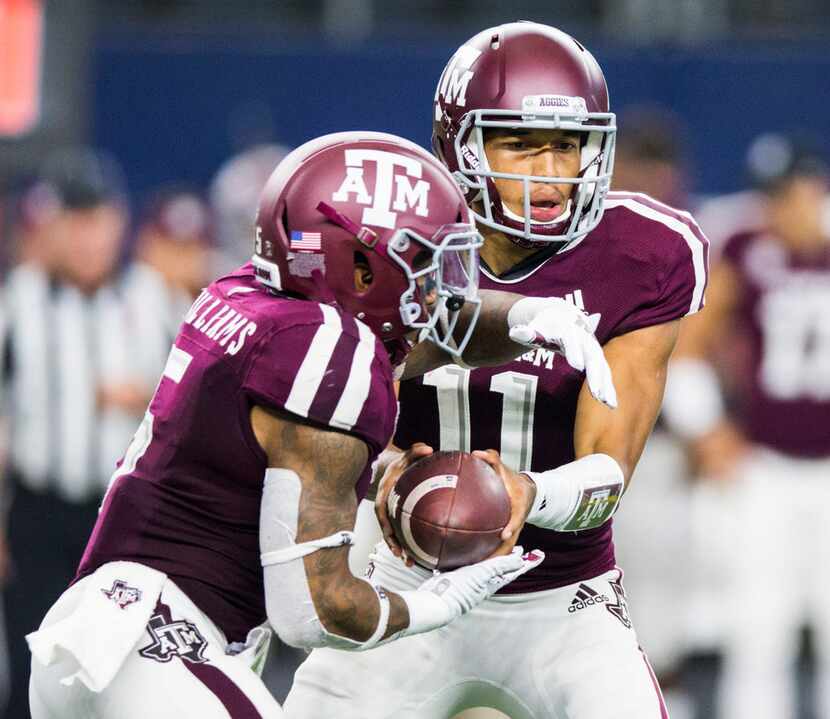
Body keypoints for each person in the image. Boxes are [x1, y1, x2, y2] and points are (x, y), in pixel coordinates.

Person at [26, 130, 618, 718]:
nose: (442, 290)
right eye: (423, 263)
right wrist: (436, 605)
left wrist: (528, 317)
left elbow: (443, 331)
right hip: (160, 650)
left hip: (102, 633)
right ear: (361, 267)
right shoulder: (331, 348)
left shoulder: (247, 295)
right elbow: (313, 610)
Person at [285, 22, 709, 719]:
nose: (548, 172)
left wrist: (521, 493)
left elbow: (608, 472)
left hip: (564, 600)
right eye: (519, 142)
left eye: (567, 146)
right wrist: (391, 474)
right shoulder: (389, 240)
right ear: (461, 144)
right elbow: (329, 423)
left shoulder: (644, 252)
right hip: (404, 585)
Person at [1, 147, 175, 719]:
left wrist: (147, 398)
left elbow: (198, 411)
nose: (87, 238)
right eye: (74, 221)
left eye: (97, 219)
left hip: (123, 516)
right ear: (49, 226)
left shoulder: (152, 299)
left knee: (123, 668)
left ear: (118, 222)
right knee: (34, 662)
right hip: (39, 512)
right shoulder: (18, 303)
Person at [662, 133, 830, 719]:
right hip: (767, 464)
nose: (788, 206)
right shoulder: (741, 242)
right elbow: (688, 344)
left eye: (797, 191)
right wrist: (706, 428)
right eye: (777, 196)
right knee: (760, 623)